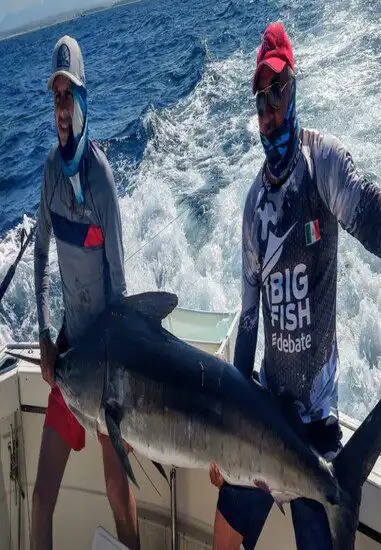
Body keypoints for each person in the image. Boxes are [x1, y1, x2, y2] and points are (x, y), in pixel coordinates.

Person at [210, 22, 381, 550]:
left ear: (295, 88)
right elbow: (247, 323)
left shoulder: (323, 163)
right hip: (264, 416)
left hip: (316, 424)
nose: (269, 110)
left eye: (278, 91)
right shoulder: (253, 208)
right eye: (261, 100)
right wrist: (228, 428)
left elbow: (369, 213)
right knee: (222, 540)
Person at [33, 36, 140, 550]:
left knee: (118, 491)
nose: (61, 108)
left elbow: (119, 286)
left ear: (82, 98)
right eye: (55, 97)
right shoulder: (49, 175)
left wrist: (117, 373)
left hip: (105, 366)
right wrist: (44, 335)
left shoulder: (101, 178)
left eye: (68, 95)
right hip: (70, 355)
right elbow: (39, 258)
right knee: (39, 498)